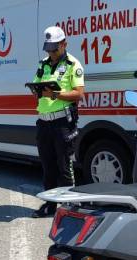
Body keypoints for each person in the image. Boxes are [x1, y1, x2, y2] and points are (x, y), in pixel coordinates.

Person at [31, 26, 85, 218]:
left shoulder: (73, 64)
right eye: (49, 49)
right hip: (44, 122)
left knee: (64, 166)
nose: (51, 53)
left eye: (54, 48)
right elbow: (36, 84)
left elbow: (78, 94)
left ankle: (70, 206)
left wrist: (54, 93)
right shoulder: (43, 64)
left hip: (63, 122)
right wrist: (36, 89)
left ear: (64, 44)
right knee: (47, 166)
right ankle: (50, 204)